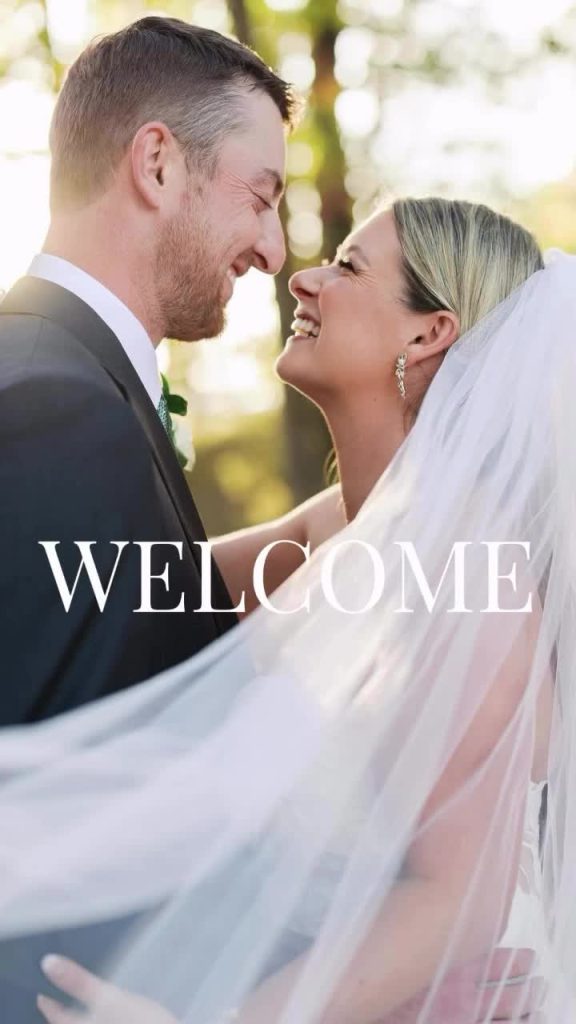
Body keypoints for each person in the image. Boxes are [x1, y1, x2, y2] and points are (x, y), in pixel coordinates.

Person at [12, 198, 561, 1023]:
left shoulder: (469, 569)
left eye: (347, 266)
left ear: (427, 334)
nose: (303, 278)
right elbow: (125, 589)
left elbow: (461, 901)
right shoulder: (335, 528)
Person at [0, 15, 295, 726]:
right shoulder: (56, 411)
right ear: (157, 164)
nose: (275, 251)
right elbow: (53, 786)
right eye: (259, 199)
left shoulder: (67, 379)